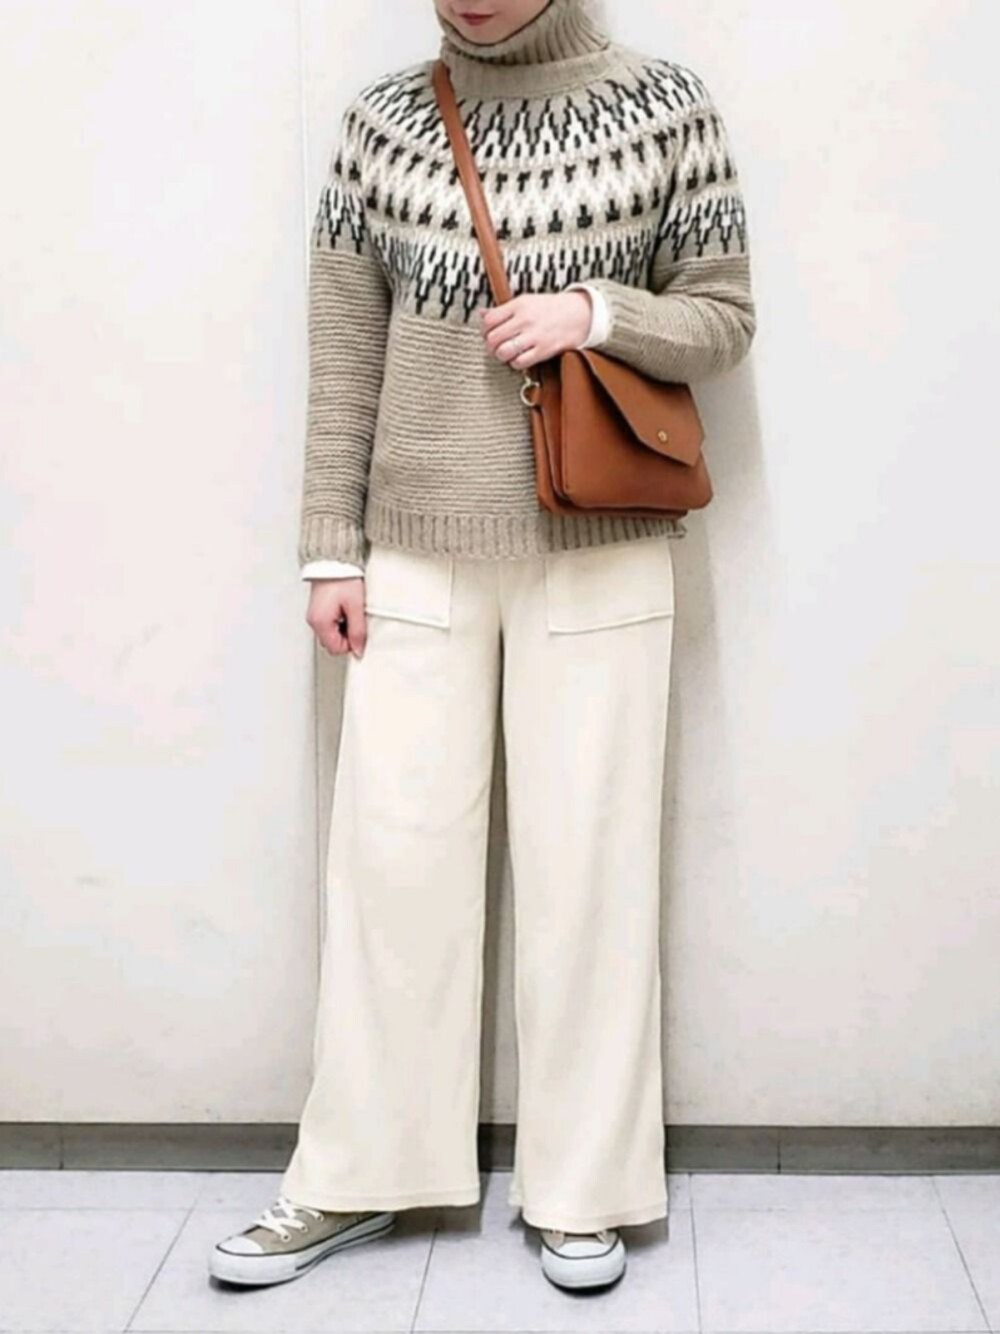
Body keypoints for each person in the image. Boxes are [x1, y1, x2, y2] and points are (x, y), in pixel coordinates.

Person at [209, 0, 755, 1294]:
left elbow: (724, 317)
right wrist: (329, 548)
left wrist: (593, 312)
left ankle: (586, 1188)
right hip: (412, 548)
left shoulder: (664, 106)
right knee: (390, 871)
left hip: (602, 542)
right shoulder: (384, 123)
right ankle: (356, 1173)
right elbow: (344, 349)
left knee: (591, 872)